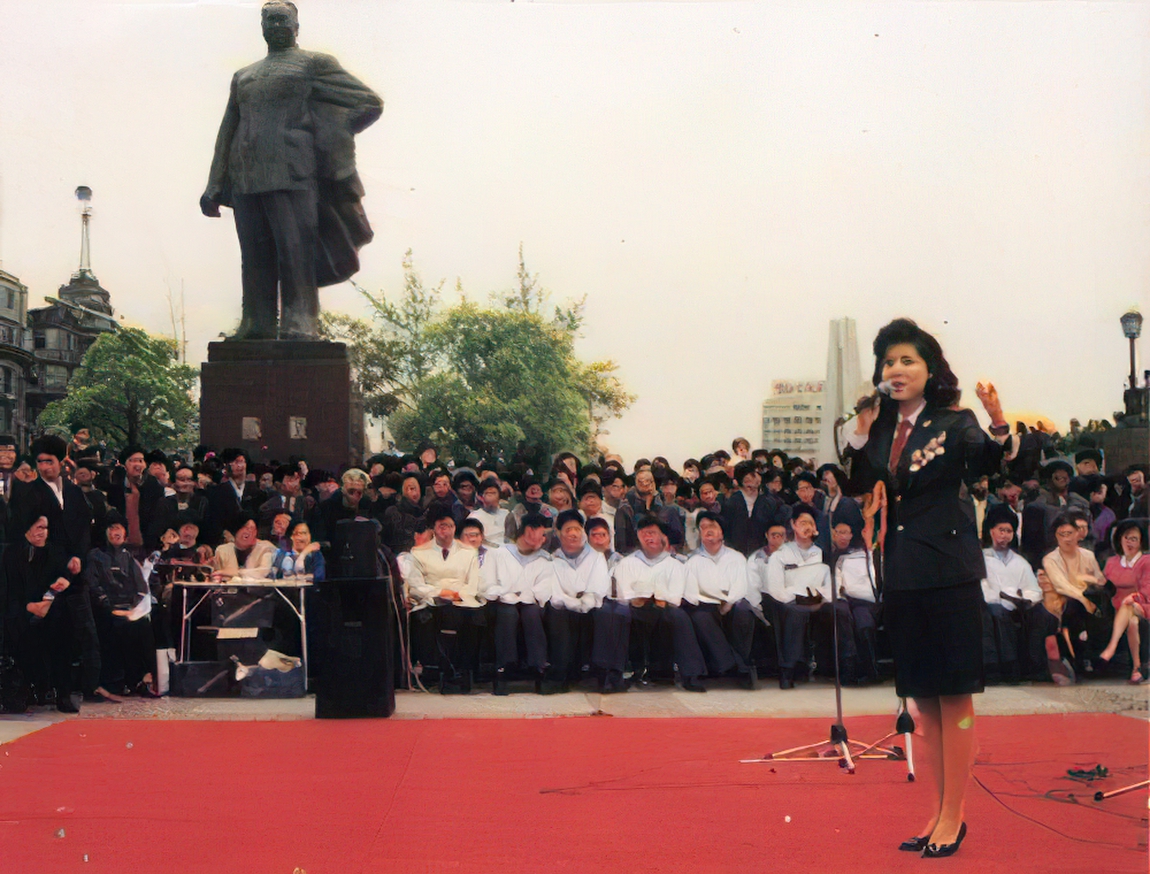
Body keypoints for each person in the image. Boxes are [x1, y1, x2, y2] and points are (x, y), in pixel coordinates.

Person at [845, 318, 1009, 857]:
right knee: (923, 705)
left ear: (929, 369)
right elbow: (860, 484)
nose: (896, 370)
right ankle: (939, 811)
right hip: (903, 575)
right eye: (889, 362)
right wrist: (860, 432)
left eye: (907, 360)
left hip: (949, 573)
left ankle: (955, 815)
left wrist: (998, 422)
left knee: (954, 699)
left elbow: (988, 461)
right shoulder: (882, 428)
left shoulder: (953, 421)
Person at [200, 0, 383, 340]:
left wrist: (326, 136)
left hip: (294, 173)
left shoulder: (314, 64)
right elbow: (228, 130)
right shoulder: (244, 76)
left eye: (283, 19)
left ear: (297, 26)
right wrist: (215, 184)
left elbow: (368, 102)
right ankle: (257, 323)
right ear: (262, 27)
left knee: (295, 250)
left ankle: (301, 323)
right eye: (269, 19)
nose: (276, 25)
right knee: (254, 255)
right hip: (246, 177)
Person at [612, 515, 707, 692]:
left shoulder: (676, 565)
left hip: (665, 609)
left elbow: (675, 597)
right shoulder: (627, 563)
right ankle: (617, 675)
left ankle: (691, 675)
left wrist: (653, 596)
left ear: (663, 537)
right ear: (639, 536)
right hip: (635, 609)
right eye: (645, 534)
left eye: (654, 533)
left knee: (678, 616)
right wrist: (646, 598)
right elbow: (624, 594)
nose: (649, 538)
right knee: (619, 613)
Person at [763, 504, 851, 688]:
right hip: (789, 602)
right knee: (796, 613)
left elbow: (832, 581)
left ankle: (845, 666)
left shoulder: (821, 553)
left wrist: (823, 598)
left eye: (810, 523)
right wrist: (797, 598)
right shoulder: (780, 555)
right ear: (793, 525)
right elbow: (775, 587)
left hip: (818, 601)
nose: (807, 527)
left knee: (839, 609)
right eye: (802, 522)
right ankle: (788, 671)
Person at [2, 516, 78, 712]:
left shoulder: (53, 551)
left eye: (45, 528)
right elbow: (8, 590)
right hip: (19, 610)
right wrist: (29, 607)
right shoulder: (11, 554)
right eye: (38, 527)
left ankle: (63, 693)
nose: (42, 532)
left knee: (63, 623)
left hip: (50, 609)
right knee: (19, 629)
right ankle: (24, 689)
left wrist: (62, 582)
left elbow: (64, 575)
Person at [406, 506, 483, 693]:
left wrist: (456, 595)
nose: (445, 530)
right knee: (428, 618)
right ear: (434, 529)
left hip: (462, 601)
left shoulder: (468, 552)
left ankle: (463, 672)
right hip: (432, 600)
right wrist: (440, 592)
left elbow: (473, 583)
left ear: (455, 528)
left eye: (448, 525)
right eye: (441, 526)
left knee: (476, 618)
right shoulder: (418, 552)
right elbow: (415, 584)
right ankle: (437, 672)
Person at [481, 512, 556, 695]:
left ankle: (538, 667)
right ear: (529, 531)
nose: (544, 538)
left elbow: (544, 590)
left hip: (531, 603)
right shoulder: (498, 553)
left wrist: (521, 594)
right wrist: (507, 594)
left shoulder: (545, 558)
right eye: (541, 533)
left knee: (531, 613)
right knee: (508, 613)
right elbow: (487, 585)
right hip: (501, 602)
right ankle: (503, 669)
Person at [83, 512, 157, 697]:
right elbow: (93, 585)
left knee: (146, 625)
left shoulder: (129, 557)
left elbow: (141, 588)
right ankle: (113, 683)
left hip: (129, 608)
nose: (115, 531)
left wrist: (132, 607)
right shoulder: (95, 556)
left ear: (125, 534)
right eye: (112, 527)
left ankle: (142, 679)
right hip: (104, 609)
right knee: (116, 627)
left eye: (119, 528)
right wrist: (109, 606)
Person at [682, 511, 756, 688]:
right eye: (703, 528)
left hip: (732, 603)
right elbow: (690, 591)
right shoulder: (692, 561)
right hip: (706, 605)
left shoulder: (736, 557)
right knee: (699, 616)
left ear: (721, 532)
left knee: (744, 611)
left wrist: (729, 603)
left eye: (712, 527)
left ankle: (738, 665)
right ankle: (737, 667)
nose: (708, 531)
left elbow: (741, 585)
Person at [978, 504, 1045, 685]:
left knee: (1039, 614)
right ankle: (999, 667)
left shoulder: (1020, 561)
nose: (1004, 535)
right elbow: (983, 587)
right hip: (991, 604)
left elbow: (1034, 589)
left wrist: (1023, 598)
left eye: (1008, 531)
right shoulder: (982, 558)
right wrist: (1001, 598)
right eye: (1001, 530)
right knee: (995, 612)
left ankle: (1033, 667)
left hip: (1018, 605)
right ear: (991, 531)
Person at [544, 510, 608, 693]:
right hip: (563, 607)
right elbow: (554, 592)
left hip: (589, 608)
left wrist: (583, 603)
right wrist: (572, 602)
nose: (573, 534)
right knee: (557, 614)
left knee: (603, 613)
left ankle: (594, 673)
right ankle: (560, 674)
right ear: (559, 533)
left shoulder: (595, 557)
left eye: (577, 529)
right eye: (568, 529)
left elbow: (597, 589)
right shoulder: (553, 558)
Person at [1042, 512, 1106, 676]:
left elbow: (1099, 580)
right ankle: (1077, 657)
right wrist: (1082, 598)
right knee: (1072, 604)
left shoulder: (1088, 555)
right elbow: (1061, 585)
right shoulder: (1050, 559)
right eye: (1061, 535)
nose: (1067, 539)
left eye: (1070, 533)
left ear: (1078, 533)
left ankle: (1091, 656)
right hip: (1063, 602)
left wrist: (1090, 585)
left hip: (1089, 600)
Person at [1098, 520, 1150, 682]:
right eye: (1126, 537)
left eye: (1134, 538)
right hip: (1116, 608)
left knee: (1129, 606)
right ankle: (1137, 668)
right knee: (1132, 621)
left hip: (1143, 605)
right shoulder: (1112, 562)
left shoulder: (1147, 561)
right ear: (1119, 539)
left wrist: (1133, 597)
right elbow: (1104, 585)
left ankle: (1111, 648)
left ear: (1141, 541)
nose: (1129, 542)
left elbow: (1147, 590)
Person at [212, 513, 277, 579]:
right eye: (245, 527)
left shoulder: (266, 548)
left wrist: (234, 573)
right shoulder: (222, 551)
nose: (249, 531)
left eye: (252, 528)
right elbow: (216, 576)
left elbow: (263, 572)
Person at [468, 478, 508, 548]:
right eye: (488, 493)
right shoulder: (474, 517)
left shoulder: (506, 514)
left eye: (494, 493)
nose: (491, 496)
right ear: (481, 497)